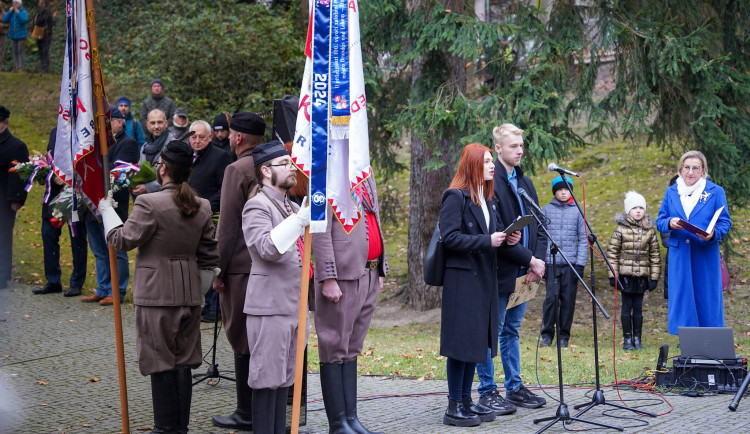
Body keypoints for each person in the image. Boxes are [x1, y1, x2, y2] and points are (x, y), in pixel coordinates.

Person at [103, 140, 219, 434]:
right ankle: (178, 428)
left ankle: (165, 429)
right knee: (183, 361)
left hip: (156, 293)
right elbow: (210, 255)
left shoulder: (149, 203)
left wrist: (106, 212)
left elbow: (122, 241)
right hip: (190, 292)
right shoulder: (202, 204)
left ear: (163, 169)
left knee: (160, 359)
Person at [475, 123, 547, 413]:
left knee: (512, 331)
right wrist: (529, 259)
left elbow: (540, 224)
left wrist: (537, 261)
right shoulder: (491, 182)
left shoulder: (525, 181)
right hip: (501, 271)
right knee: (493, 330)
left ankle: (514, 387)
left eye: (521, 145)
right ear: (498, 149)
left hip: (527, 272)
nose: (519, 150)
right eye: (513, 146)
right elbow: (499, 234)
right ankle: (487, 389)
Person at [312, 165, 388, 433]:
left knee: (352, 347)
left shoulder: (364, 171)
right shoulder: (326, 174)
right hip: (341, 277)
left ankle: (350, 418)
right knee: (334, 346)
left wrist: (380, 267)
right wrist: (328, 277)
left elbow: (373, 218)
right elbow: (319, 230)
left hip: (367, 271)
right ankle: (337, 423)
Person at [242, 140, 311, 433]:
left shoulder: (293, 205)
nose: (292, 168)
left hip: (295, 306)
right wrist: (298, 221)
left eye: (290, 162)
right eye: (284, 164)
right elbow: (266, 248)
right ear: (266, 171)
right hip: (269, 307)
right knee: (266, 379)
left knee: (285, 379)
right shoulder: (256, 206)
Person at [438, 143, 506, 427]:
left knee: (474, 344)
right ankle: (454, 406)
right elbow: (450, 237)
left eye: (492, 161)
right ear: (473, 164)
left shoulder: (487, 199)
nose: (492, 166)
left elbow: (491, 235)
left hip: (483, 280)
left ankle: (466, 400)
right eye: (487, 161)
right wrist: (487, 241)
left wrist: (505, 238)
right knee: (460, 345)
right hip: (462, 280)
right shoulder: (456, 197)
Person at [210, 112, 265, 431]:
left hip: (243, 269)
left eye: (231, 134)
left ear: (239, 138)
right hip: (276, 263)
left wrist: (218, 270)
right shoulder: (280, 160)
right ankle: (273, 406)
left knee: (242, 335)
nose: (229, 138)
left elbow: (228, 227)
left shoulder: (237, 169)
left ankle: (246, 412)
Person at [655, 150, 732, 335]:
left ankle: (710, 343)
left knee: (706, 298)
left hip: (704, 253)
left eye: (695, 168)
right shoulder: (671, 191)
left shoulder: (715, 191)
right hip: (680, 254)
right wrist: (670, 223)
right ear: (681, 169)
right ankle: (687, 345)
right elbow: (660, 221)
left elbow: (725, 221)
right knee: (683, 300)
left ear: (703, 170)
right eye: (687, 167)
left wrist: (713, 234)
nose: (690, 172)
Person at [80, 109, 138, 305]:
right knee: (98, 250)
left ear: (121, 122)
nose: (107, 125)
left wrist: (96, 168)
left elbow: (117, 168)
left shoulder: (128, 143)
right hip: (93, 201)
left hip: (114, 204)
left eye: (111, 121)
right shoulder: (97, 143)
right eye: (104, 121)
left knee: (116, 249)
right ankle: (102, 288)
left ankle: (117, 291)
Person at [33, 127, 88, 297]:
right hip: (54, 192)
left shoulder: (84, 128)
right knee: (48, 235)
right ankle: (53, 280)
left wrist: (69, 175)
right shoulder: (55, 131)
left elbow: (87, 158)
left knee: (77, 239)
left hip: (75, 191)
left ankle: (77, 283)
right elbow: (50, 157)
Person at [186, 119, 232, 322]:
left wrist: (204, 206)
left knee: (210, 261)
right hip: (189, 217)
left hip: (211, 216)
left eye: (201, 137)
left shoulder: (221, 157)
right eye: (193, 136)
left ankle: (214, 307)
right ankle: (202, 304)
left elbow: (224, 188)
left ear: (210, 137)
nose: (196, 140)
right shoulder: (188, 157)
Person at [607, 191, 661, 350]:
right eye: (634, 208)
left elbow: (655, 255)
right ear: (628, 210)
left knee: (638, 307)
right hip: (625, 276)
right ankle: (627, 338)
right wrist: (613, 274)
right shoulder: (620, 229)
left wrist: (654, 277)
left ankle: (638, 338)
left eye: (641, 208)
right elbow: (612, 252)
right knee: (626, 306)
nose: (638, 211)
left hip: (641, 276)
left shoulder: (650, 230)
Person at [539, 176, 587, 348]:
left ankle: (563, 336)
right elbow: (541, 237)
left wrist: (580, 264)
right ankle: (547, 334)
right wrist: (541, 262)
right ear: (555, 192)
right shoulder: (545, 210)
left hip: (570, 264)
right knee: (551, 299)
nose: (563, 192)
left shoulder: (578, 212)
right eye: (560, 189)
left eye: (566, 189)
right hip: (551, 263)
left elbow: (583, 239)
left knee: (568, 300)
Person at [0, 105, 29, 289]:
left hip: (4, 200)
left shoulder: (17, 146)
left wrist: (16, 200)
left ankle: (2, 274)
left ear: (5, 123)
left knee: (2, 237)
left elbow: (20, 175)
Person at [132, 108, 174, 197]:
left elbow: (173, 177)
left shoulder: (173, 146)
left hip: (166, 197)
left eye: (159, 122)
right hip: (147, 198)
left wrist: (148, 187)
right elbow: (140, 170)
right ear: (147, 125)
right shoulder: (144, 147)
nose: (156, 126)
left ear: (166, 123)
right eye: (152, 123)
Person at [2, 0, 28, 72]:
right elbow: (5, 20)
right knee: (15, 51)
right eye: (13, 3)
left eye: (16, 3)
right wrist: (9, 12)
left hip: (21, 35)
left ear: (20, 4)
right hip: (13, 35)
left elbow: (25, 20)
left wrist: (18, 13)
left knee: (20, 51)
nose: (14, 5)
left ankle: (21, 67)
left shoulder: (23, 12)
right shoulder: (11, 12)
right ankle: (17, 67)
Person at [33, 0, 52, 73]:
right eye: (39, 2)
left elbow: (50, 23)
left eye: (41, 3)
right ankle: (42, 66)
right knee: (40, 50)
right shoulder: (38, 13)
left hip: (45, 34)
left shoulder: (47, 13)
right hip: (38, 33)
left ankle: (45, 68)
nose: (39, 4)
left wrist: (47, 30)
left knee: (44, 51)